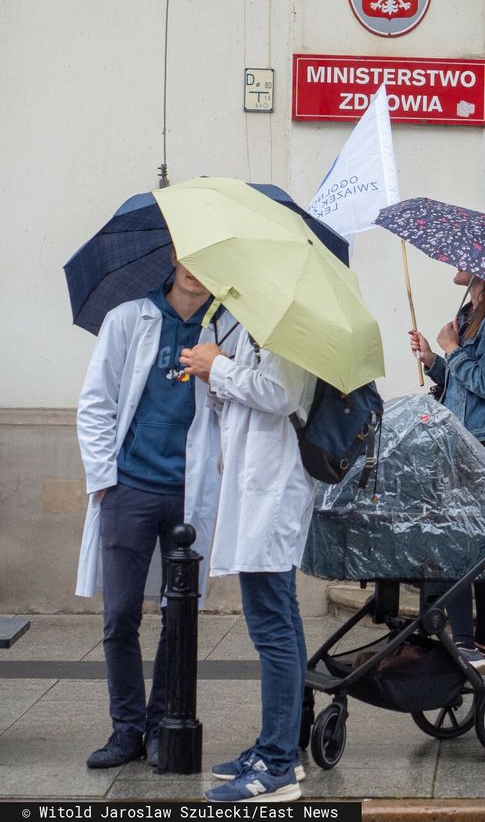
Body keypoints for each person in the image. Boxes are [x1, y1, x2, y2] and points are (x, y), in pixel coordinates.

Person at [75, 260, 227, 769]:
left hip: (190, 492)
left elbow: (239, 405)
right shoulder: (128, 319)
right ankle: (125, 730)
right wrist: (105, 484)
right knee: (120, 615)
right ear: (174, 257)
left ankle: (165, 724)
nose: (196, 270)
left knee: (177, 616)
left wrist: (222, 369)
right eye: (189, 255)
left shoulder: (226, 329)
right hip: (131, 488)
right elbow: (96, 403)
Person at [181, 328, 315, 802]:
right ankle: (279, 749)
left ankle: (276, 763)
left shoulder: (291, 328)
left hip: (274, 495)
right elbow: (245, 401)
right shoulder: (255, 329)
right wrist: (213, 375)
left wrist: (217, 365)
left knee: (272, 628)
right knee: (280, 621)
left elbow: (281, 394)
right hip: (257, 489)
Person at [410, 268, 485, 674]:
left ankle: (481, 645)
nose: (455, 262)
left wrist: (452, 349)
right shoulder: (470, 313)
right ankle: (465, 643)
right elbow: (461, 386)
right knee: (456, 543)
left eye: (463, 259)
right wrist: (433, 360)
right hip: (460, 440)